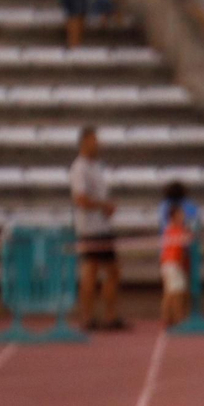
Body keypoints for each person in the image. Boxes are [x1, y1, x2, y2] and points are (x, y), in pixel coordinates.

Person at [69, 126, 123, 331]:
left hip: (103, 226)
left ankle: (109, 315)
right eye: (94, 140)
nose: (97, 144)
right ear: (84, 142)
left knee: (112, 271)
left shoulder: (97, 166)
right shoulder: (79, 168)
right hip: (90, 229)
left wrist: (106, 207)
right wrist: (103, 206)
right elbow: (80, 199)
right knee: (91, 272)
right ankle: (88, 317)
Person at [159, 200, 191, 328]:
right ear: (173, 216)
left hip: (169, 264)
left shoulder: (171, 229)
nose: (183, 217)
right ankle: (178, 319)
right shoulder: (176, 229)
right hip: (173, 264)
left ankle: (168, 318)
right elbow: (184, 244)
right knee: (177, 292)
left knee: (170, 292)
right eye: (180, 214)